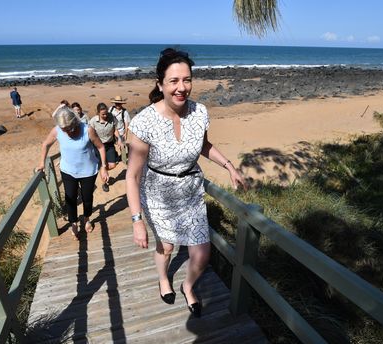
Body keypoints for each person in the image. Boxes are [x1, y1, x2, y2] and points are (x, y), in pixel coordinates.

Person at [126, 48, 247, 318]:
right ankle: (163, 278)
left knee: (202, 255)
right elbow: (132, 175)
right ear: (160, 84)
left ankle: (187, 285)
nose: (182, 88)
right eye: (174, 81)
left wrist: (229, 166)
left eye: (187, 80)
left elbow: (203, 146)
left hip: (190, 190)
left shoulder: (199, 112)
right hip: (157, 192)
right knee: (166, 247)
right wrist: (137, 221)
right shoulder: (145, 122)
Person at [37, 106, 109, 239]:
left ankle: (87, 218)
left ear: (74, 122)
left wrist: (103, 167)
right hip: (68, 171)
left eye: (69, 128)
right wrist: (42, 163)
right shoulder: (57, 130)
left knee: (87, 198)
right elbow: (45, 144)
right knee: (70, 198)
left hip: (88, 171)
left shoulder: (87, 130)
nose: (68, 132)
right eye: (64, 129)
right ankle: (73, 223)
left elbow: (101, 147)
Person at [89, 102, 124, 192]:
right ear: (98, 113)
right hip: (98, 146)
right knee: (103, 165)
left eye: (106, 113)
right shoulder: (93, 121)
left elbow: (115, 129)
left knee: (112, 165)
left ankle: (102, 169)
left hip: (109, 144)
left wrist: (119, 139)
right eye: (103, 114)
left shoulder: (112, 117)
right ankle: (105, 183)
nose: (105, 115)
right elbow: (90, 133)